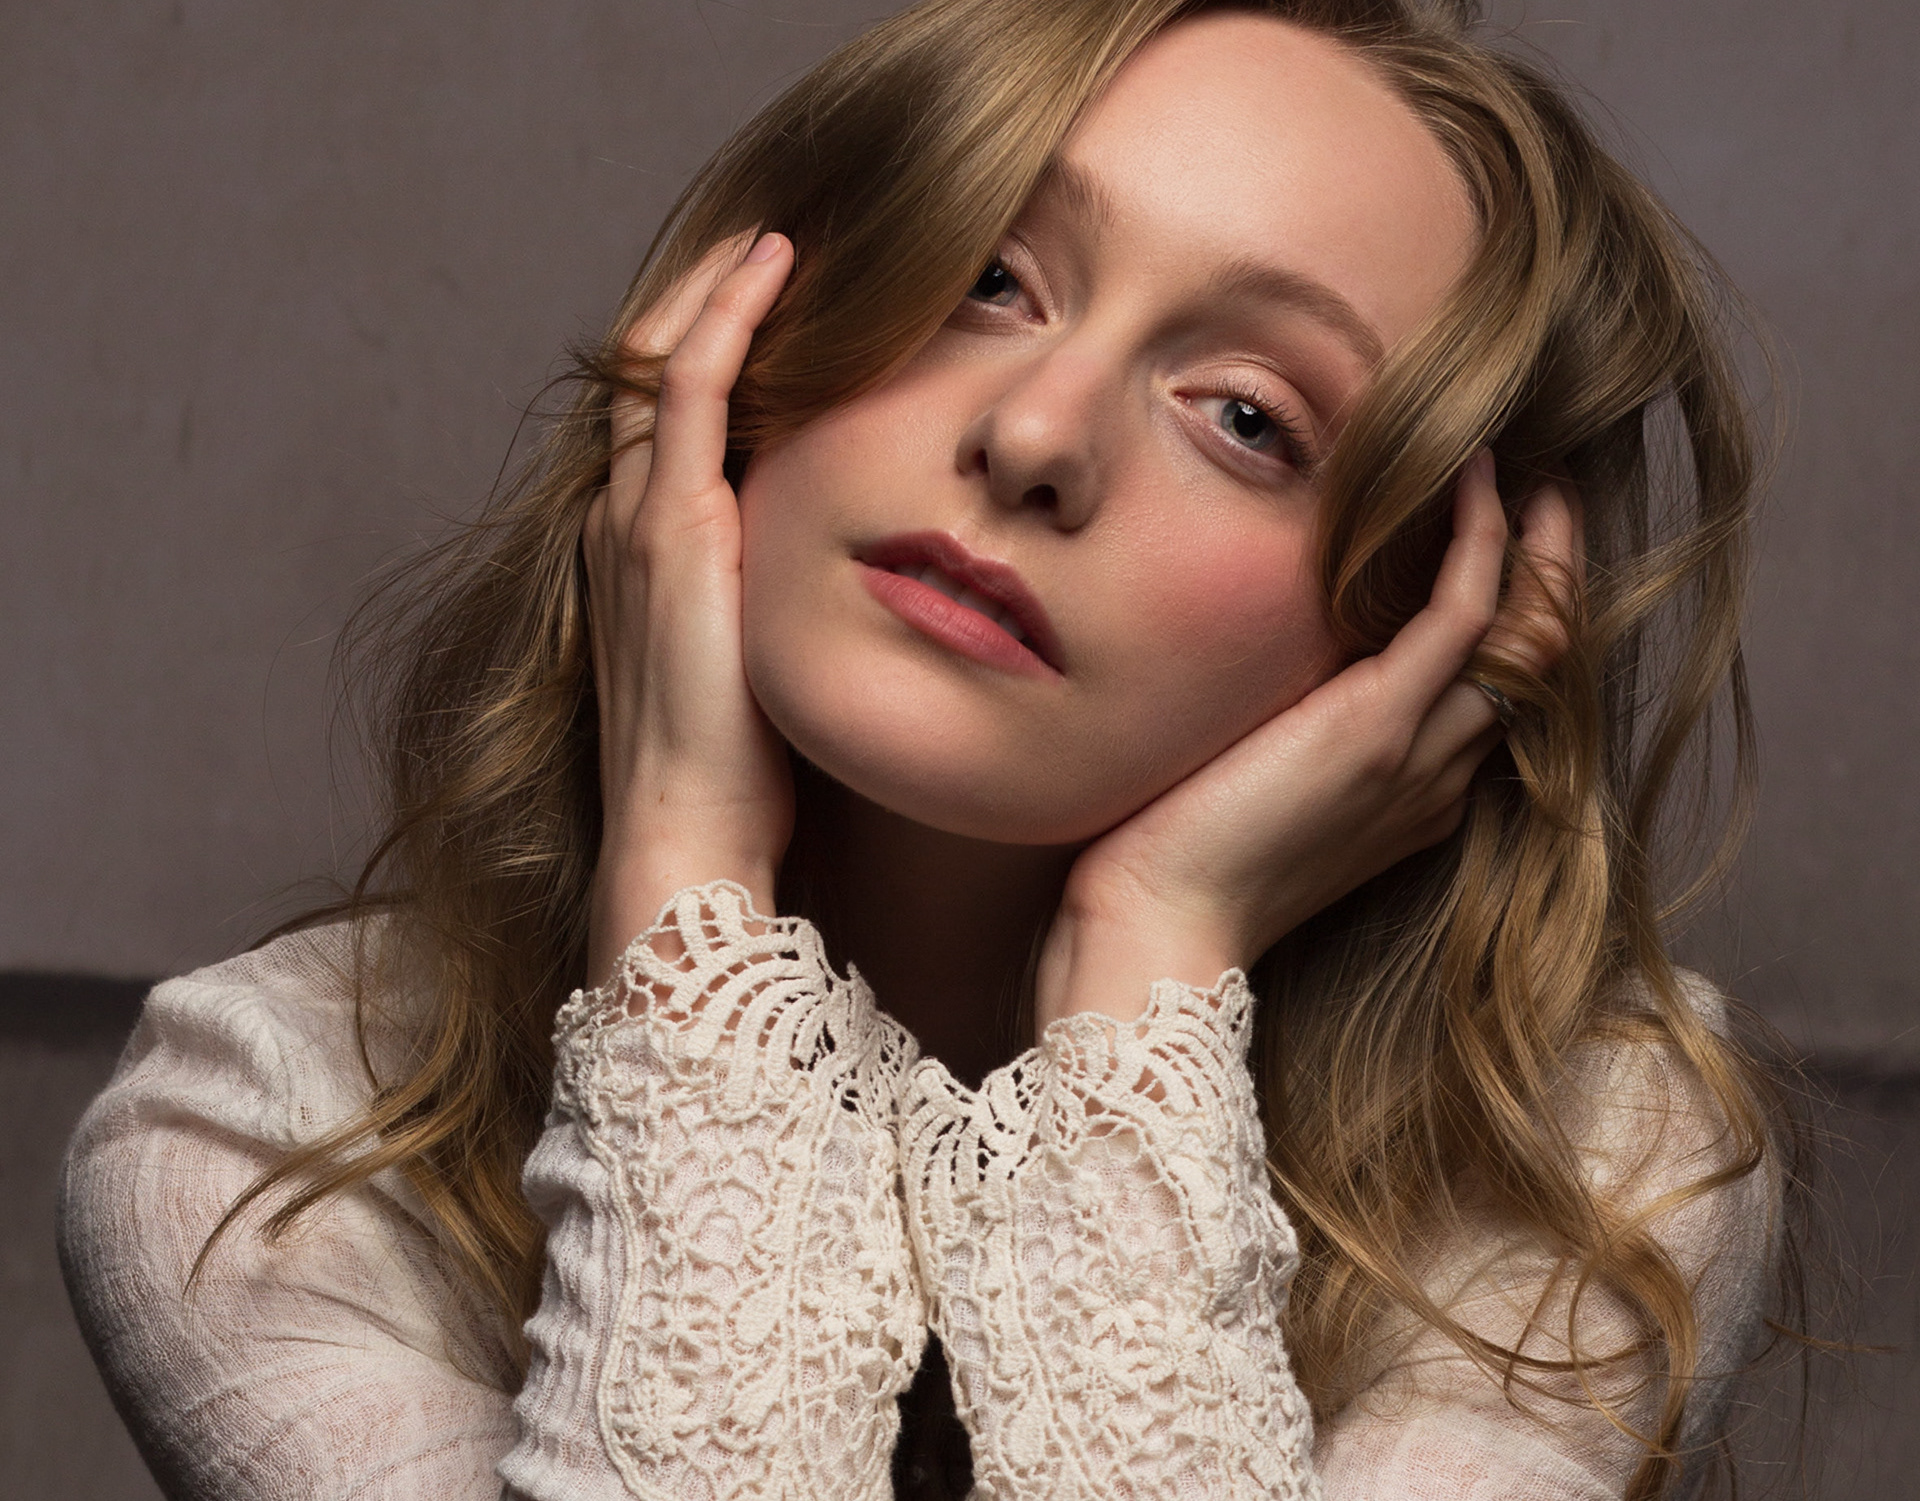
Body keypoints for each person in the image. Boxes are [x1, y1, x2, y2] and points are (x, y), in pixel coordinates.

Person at [58, 1, 1793, 1497]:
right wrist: (685, 892)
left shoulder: (1587, 1166)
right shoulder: (273, 1139)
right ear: (737, 335)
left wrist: (1150, 964)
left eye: (1249, 417)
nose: (1035, 432)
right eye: (986, 278)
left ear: (1438, 621)